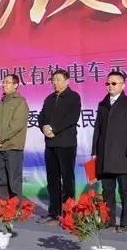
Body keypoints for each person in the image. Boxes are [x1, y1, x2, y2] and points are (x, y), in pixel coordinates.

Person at [91, 71, 127, 233]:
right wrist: (94, 151)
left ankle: (125, 222)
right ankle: (109, 220)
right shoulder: (103, 104)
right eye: (107, 83)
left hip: (123, 154)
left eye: (114, 83)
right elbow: (97, 130)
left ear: (123, 85)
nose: (110, 86)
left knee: (125, 189)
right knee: (107, 189)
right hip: (104, 155)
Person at [37, 69, 81, 224]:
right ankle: (54, 212)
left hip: (66, 144)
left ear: (67, 81)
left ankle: (69, 214)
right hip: (50, 144)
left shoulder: (73, 97)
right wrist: (44, 127)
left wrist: (54, 129)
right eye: (53, 80)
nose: (55, 82)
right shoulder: (49, 98)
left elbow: (72, 118)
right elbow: (41, 116)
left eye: (58, 79)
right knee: (53, 179)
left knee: (67, 179)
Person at [0, 74, 29, 199]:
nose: (4, 84)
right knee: (1, 181)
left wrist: (0, 139)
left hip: (13, 147)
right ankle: (3, 206)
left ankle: (15, 207)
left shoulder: (20, 102)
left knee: (14, 181)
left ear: (15, 85)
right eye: (3, 82)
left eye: (7, 82)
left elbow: (16, 125)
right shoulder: (0, 103)